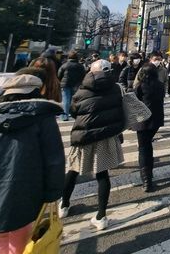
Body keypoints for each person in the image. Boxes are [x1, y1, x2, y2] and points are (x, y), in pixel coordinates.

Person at [0, 74, 65, 254]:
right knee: (21, 238)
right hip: (25, 190)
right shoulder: (42, 120)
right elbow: (54, 160)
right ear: (37, 92)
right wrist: (53, 193)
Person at [59, 60, 125, 230]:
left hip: (84, 135)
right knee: (102, 174)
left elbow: (74, 110)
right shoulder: (116, 88)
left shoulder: (83, 89)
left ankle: (64, 204)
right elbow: (121, 110)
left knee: (73, 170)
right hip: (106, 136)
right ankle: (101, 215)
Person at [134, 62, 165, 192]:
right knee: (148, 146)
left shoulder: (140, 86)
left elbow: (135, 100)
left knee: (143, 148)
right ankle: (148, 178)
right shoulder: (160, 85)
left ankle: (146, 180)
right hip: (155, 119)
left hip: (142, 119)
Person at [57, 50, 86, 121]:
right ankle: (72, 113)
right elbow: (83, 75)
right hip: (76, 84)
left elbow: (59, 74)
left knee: (66, 99)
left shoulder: (65, 65)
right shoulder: (80, 66)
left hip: (65, 84)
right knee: (74, 100)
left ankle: (64, 116)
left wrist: (60, 81)